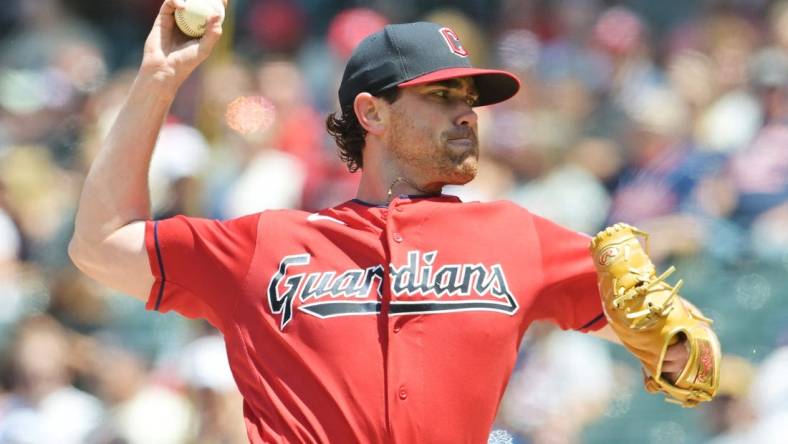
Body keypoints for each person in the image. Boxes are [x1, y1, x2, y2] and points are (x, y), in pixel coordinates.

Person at [68, 1, 692, 442]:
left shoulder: (518, 237)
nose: (468, 115)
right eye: (442, 96)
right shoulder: (267, 244)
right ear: (371, 112)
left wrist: (682, 351)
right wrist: (159, 79)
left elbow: (679, 352)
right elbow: (100, 243)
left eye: (470, 101)